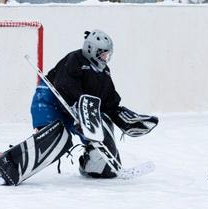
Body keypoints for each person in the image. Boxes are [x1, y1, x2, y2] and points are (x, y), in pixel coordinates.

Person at [27, 29, 158, 180]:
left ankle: (92, 165)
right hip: (51, 101)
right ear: (91, 49)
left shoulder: (104, 72)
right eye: (102, 53)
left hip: (78, 109)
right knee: (54, 140)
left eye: (107, 54)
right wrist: (77, 110)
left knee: (106, 160)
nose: (106, 57)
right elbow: (64, 86)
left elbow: (108, 102)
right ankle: (13, 164)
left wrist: (122, 117)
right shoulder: (75, 59)